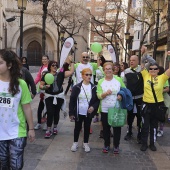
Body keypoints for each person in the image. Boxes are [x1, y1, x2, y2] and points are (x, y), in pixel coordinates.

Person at [0, 49, 35, 169]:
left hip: (17, 132)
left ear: (9, 65)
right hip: (0, 133)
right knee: (3, 165)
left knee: (16, 166)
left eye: (0, 63)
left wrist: (31, 128)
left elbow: (27, 108)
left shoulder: (21, 84)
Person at [140, 50, 170, 151]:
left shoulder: (162, 78)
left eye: (155, 69)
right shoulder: (145, 75)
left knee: (153, 126)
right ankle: (144, 143)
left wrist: (169, 57)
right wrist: (144, 53)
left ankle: (152, 143)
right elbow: (142, 63)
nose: (152, 70)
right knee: (145, 126)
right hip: (146, 105)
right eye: (151, 69)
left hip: (156, 106)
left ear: (158, 70)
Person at [123, 50, 155, 143]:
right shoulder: (126, 71)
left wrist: (145, 55)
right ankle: (129, 132)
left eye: (133, 60)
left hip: (140, 98)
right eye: (130, 60)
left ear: (137, 61)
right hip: (130, 99)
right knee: (130, 116)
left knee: (140, 116)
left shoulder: (142, 69)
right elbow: (124, 83)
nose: (131, 62)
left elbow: (153, 62)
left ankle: (140, 134)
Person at [40, 57, 74, 138]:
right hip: (49, 96)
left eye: (56, 65)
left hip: (59, 96)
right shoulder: (46, 75)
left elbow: (71, 71)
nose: (55, 66)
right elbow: (41, 85)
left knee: (56, 112)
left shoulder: (60, 73)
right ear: (50, 67)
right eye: (53, 65)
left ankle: (55, 127)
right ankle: (48, 129)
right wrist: (45, 87)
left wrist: (72, 62)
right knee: (50, 112)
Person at [97, 62, 126, 154]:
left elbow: (124, 90)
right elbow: (98, 95)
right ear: (104, 70)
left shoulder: (118, 79)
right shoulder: (101, 81)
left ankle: (116, 146)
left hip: (116, 108)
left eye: (110, 68)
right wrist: (105, 93)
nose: (108, 70)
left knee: (117, 128)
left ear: (113, 69)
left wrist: (121, 96)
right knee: (106, 129)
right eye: (106, 69)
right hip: (105, 109)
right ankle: (106, 145)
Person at [69, 68, 100, 152]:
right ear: (82, 76)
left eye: (90, 75)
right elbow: (72, 100)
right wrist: (71, 113)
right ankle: (75, 143)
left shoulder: (94, 87)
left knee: (87, 127)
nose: (89, 76)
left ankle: (85, 143)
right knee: (77, 127)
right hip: (79, 111)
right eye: (87, 74)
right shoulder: (77, 87)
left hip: (88, 112)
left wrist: (93, 107)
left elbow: (97, 100)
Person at [34, 55, 49, 130]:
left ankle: (47, 124)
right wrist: (33, 84)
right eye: (43, 59)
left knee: (48, 109)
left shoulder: (50, 67)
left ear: (48, 60)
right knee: (40, 109)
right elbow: (38, 77)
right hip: (42, 91)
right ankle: (39, 123)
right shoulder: (41, 68)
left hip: (49, 92)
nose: (44, 60)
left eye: (45, 59)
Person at [157, 66, 170, 137]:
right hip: (155, 100)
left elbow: (167, 89)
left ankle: (161, 130)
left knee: (162, 116)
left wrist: (160, 91)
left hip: (163, 100)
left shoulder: (163, 78)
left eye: (157, 69)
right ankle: (155, 129)